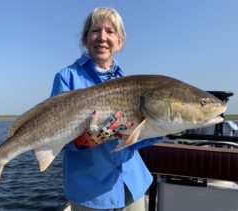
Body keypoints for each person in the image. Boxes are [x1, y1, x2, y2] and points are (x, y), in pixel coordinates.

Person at [51, 7, 161, 211]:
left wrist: (166, 126)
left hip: (133, 185)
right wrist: (84, 141)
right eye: (95, 30)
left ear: (120, 41)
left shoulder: (127, 81)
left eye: (110, 31)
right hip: (90, 193)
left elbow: (133, 140)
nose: (102, 37)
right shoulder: (67, 77)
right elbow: (56, 137)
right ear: (85, 39)